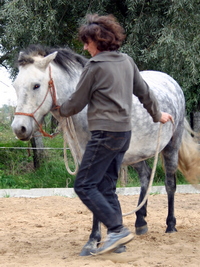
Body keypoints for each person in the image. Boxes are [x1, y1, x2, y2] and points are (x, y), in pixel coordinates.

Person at [59, 14, 173, 255]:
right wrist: (157, 115)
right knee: (107, 186)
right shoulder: (127, 62)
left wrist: (58, 109)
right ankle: (117, 242)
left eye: (86, 42)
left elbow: (76, 103)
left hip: (104, 135)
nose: (84, 47)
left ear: (97, 41)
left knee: (84, 185)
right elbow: (145, 93)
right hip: (123, 135)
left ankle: (116, 228)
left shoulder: (94, 66)